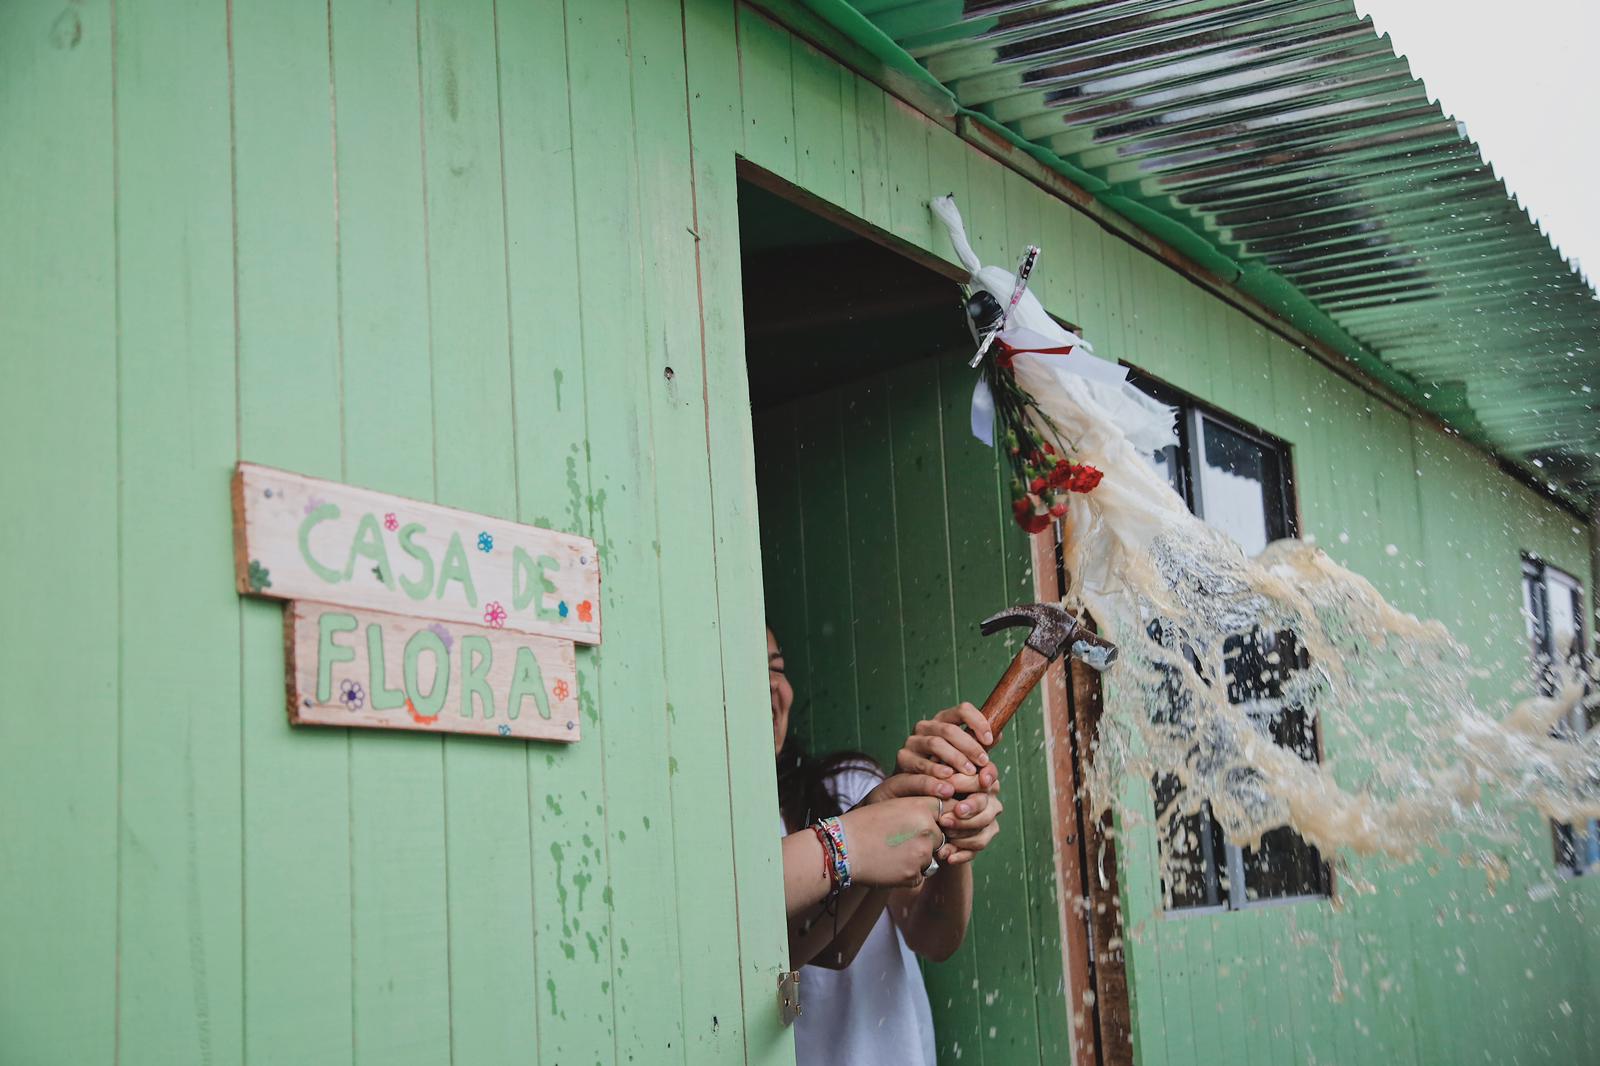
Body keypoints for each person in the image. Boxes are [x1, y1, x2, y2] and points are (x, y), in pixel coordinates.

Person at [770, 628, 1004, 1065]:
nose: (769, 686)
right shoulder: (714, 844)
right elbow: (816, 953)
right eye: (749, 669)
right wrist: (855, 838)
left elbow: (932, 938)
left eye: (776, 668)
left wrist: (945, 815)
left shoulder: (847, 788)